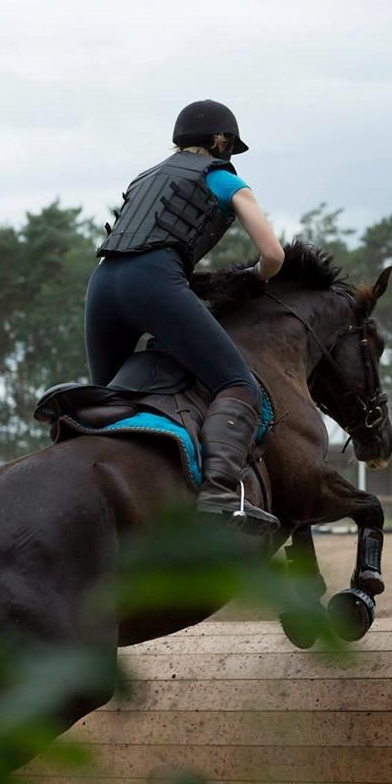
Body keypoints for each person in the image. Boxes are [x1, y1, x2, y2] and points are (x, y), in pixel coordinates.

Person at [85, 99, 284, 534]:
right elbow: (273, 253)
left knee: (106, 399)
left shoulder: (144, 179)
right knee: (237, 384)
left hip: (101, 285)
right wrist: (254, 276)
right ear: (220, 141)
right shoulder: (221, 177)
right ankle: (219, 497)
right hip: (153, 281)